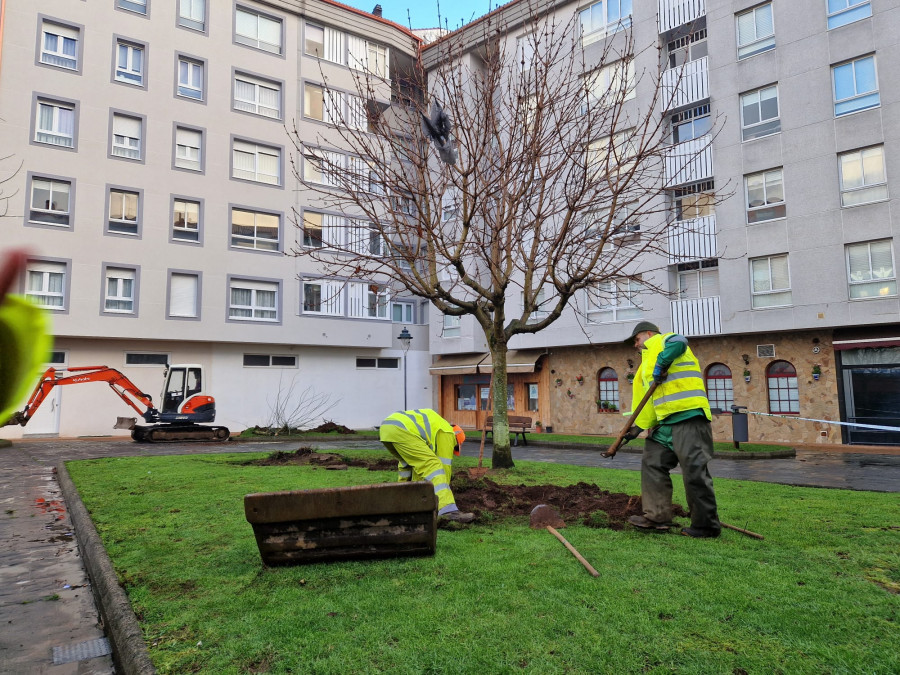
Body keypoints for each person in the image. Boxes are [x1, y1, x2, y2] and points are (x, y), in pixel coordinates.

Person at [621, 321, 721, 538]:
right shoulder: (645, 365)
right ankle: (656, 517)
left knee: (694, 471)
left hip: (689, 417)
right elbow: (649, 400)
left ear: (648, 334)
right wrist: (638, 427)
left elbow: (680, 341)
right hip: (665, 423)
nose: (635, 345)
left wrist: (662, 363)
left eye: (636, 340)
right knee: (652, 462)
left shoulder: (663, 340)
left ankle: (706, 526)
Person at [379, 408, 474, 523]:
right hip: (402, 429)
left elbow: (408, 467)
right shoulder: (448, 433)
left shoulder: (437, 425)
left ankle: (403, 504)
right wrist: (445, 492)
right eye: (454, 449)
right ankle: (448, 511)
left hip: (387, 429)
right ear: (456, 441)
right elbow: (443, 468)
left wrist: (404, 486)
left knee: (409, 463)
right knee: (433, 466)